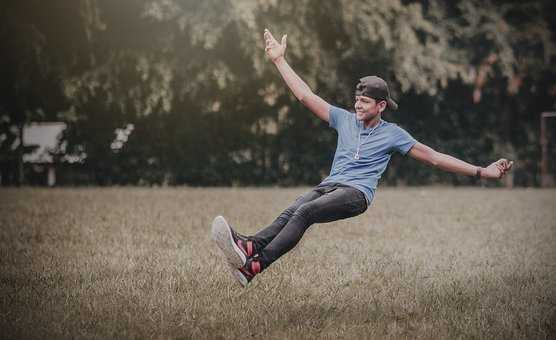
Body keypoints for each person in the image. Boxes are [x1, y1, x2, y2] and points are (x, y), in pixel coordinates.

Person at [211, 28, 513, 287]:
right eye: (356, 99)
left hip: (356, 194)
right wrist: (279, 60)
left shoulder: (393, 134)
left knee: (305, 214)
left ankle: (253, 266)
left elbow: (434, 157)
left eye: (365, 101)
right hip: (331, 184)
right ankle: (248, 245)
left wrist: (481, 172)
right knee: (294, 208)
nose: (358, 105)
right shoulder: (343, 119)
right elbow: (305, 95)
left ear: (381, 106)